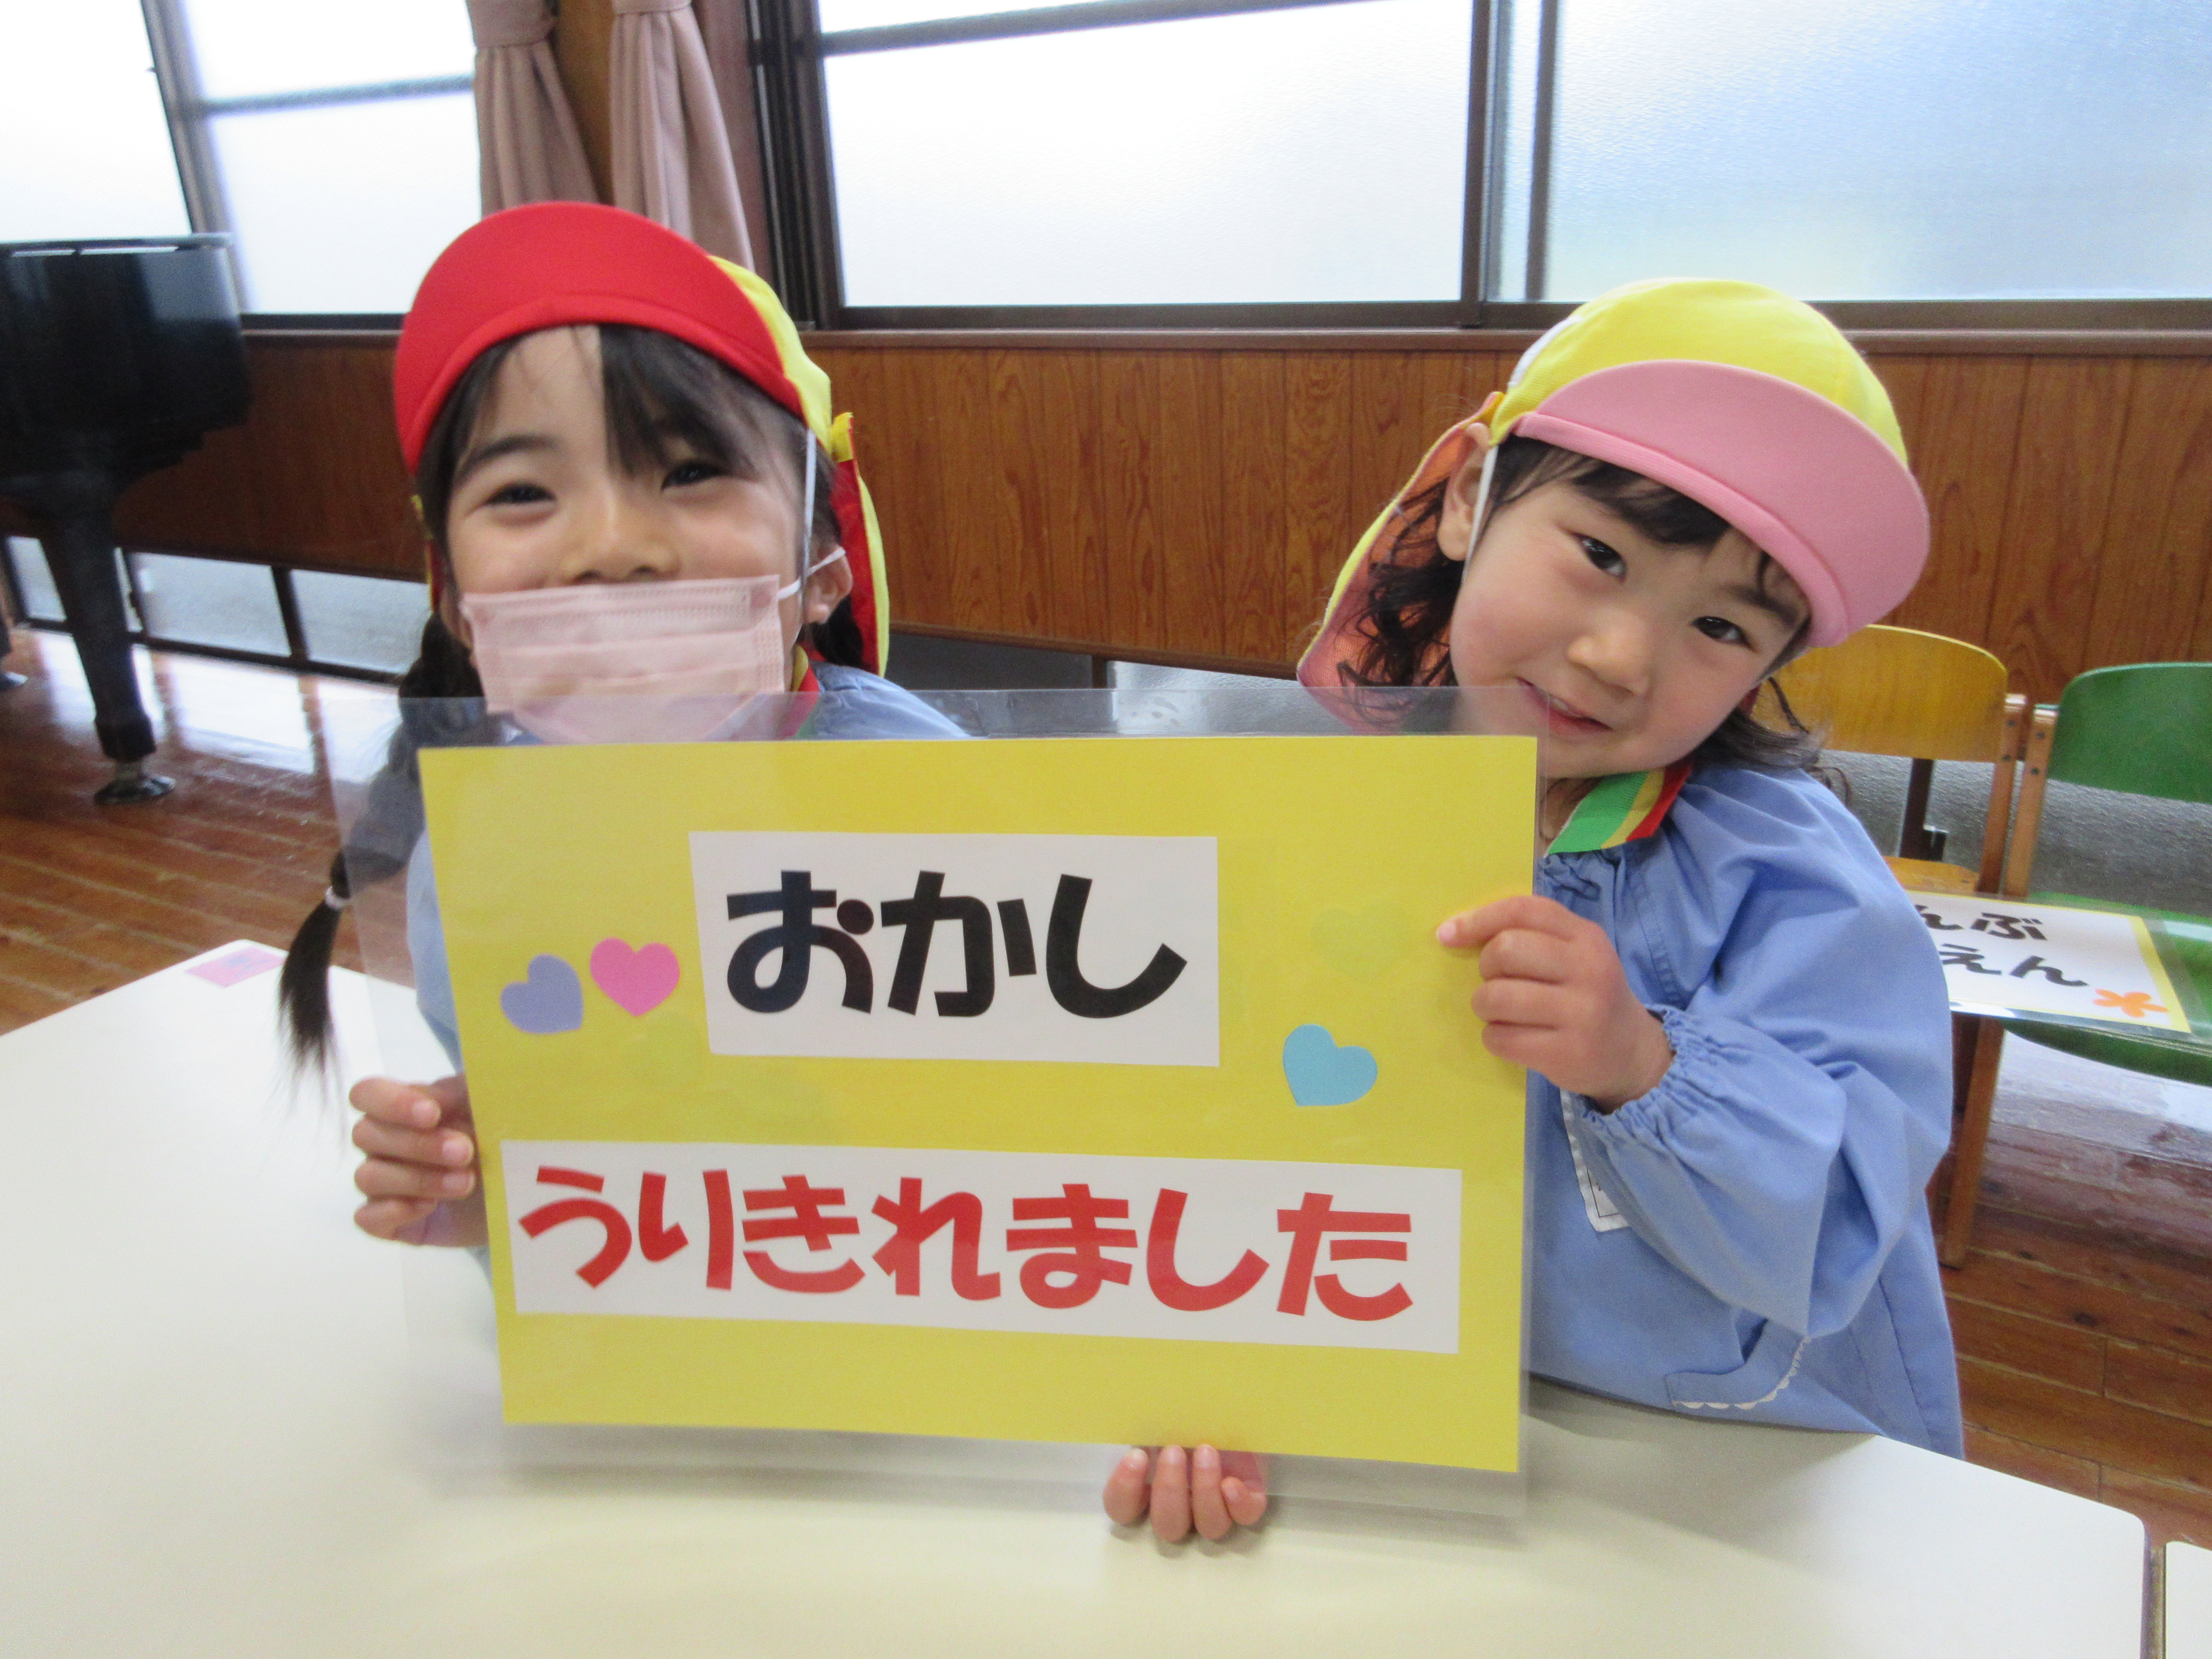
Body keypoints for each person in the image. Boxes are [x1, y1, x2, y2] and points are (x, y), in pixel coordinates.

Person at [1106, 279, 1962, 1542]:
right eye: (1601, 555)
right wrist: (1230, 1380)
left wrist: (1645, 1065)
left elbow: (1843, 1223)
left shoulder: (1791, 877)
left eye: (1720, 626)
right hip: (1425, 1436)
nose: (1622, 656)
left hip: (1731, 1474)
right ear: (1469, 497)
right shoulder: (1318, 815)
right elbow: (1236, 1134)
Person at [279, 202, 961, 1249]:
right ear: (455, 597)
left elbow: (1050, 1095)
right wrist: (477, 1193)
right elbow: (562, 1147)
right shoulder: (476, 852)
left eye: (689, 471)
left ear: (823, 565)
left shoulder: (932, 794)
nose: (611, 546)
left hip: (910, 1280)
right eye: (522, 490)